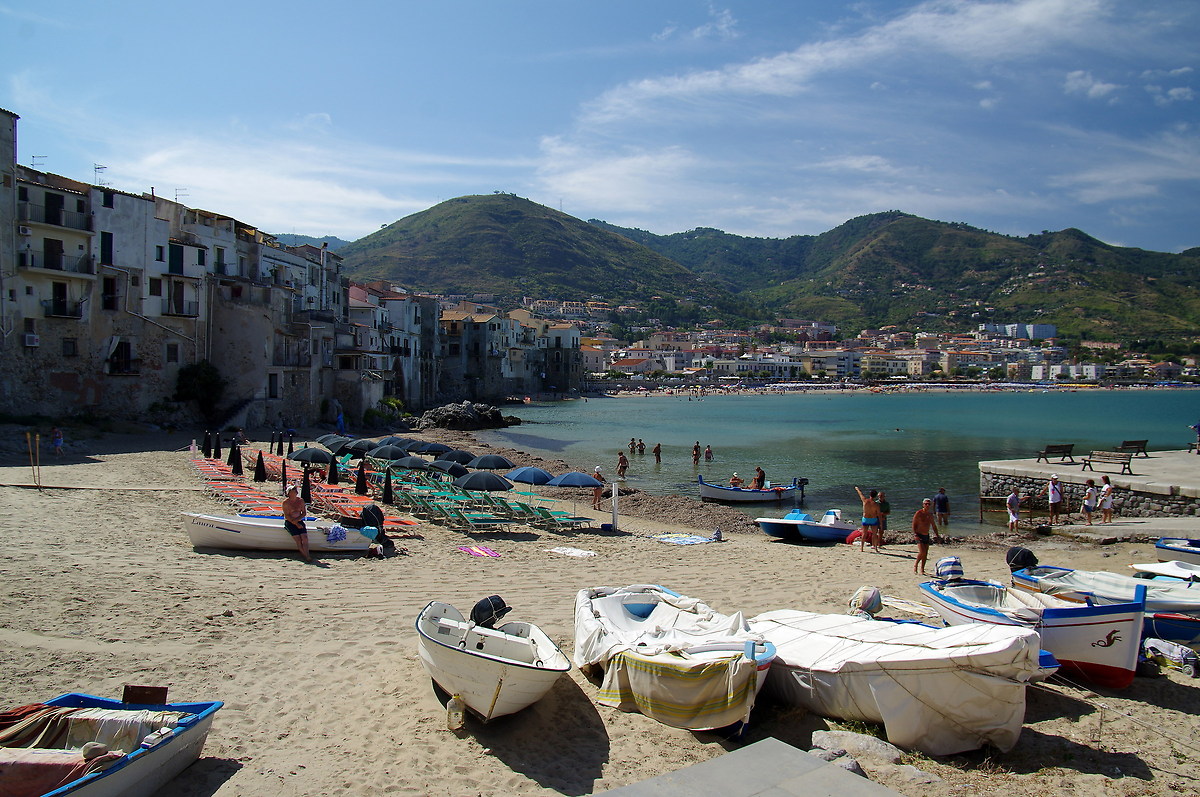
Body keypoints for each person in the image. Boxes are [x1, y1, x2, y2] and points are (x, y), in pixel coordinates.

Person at [282, 484, 312, 562]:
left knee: (304, 538)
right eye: (292, 492)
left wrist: (297, 521)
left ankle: (307, 554)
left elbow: (304, 513)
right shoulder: (286, 503)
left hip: (298, 520)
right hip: (290, 522)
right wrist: (296, 523)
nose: (294, 493)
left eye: (295, 492)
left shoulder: (300, 501)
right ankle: (305, 556)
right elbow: (287, 516)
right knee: (298, 540)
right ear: (288, 493)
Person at [912, 498, 939, 575]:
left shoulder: (930, 515)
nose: (927, 505)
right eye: (926, 504)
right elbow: (914, 524)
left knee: (925, 553)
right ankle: (916, 565)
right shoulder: (918, 513)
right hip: (918, 535)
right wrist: (915, 534)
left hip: (926, 535)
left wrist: (937, 535)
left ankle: (922, 569)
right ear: (923, 504)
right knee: (922, 551)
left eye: (929, 504)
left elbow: (934, 526)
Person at [855, 486, 882, 552]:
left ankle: (861, 548)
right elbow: (879, 514)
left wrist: (857, 489)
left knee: (864, 534)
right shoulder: (876, 505)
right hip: (873, 519)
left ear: (870, 495)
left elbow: (860, 494)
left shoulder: (865, 501)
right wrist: (881, 523)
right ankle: (875, 548)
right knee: (874, 534)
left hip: (866, 519)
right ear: (875, 496)